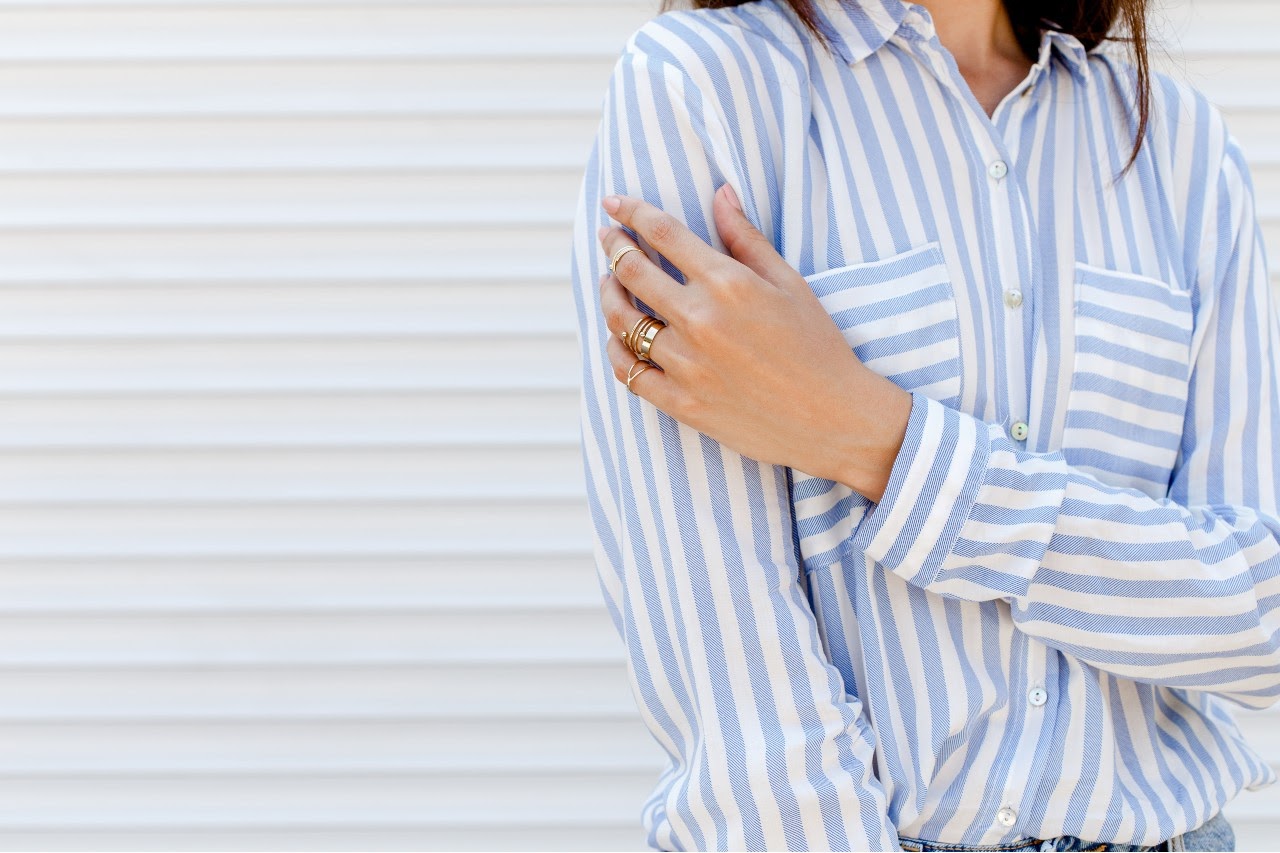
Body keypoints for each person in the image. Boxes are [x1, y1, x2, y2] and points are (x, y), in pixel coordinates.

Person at [567, 0, 1280, 850]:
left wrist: (881, 441)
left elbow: (1263, 617)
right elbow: (737, 695)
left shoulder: (1179, 144)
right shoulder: (703, 87)